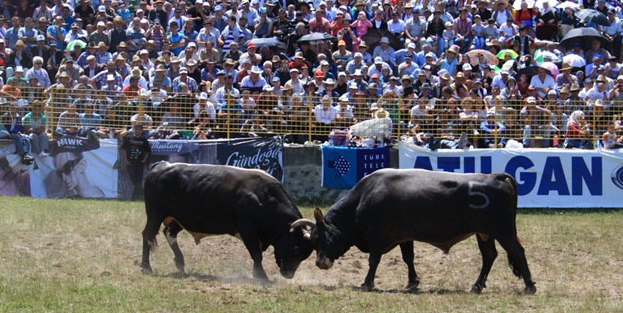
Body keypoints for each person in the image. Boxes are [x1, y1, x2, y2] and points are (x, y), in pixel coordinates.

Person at [121, 124, 151, 201]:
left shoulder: (144, 140)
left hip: (139, 163)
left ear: (142, 131)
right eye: (136, 129)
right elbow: (123, 149)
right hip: (130, 163)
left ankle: (135, 198)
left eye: (139, 129)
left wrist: (144, 160)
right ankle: (140, 197)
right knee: (134, 181)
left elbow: (147, 151)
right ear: (134, 130)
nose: (137, 131)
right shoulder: (129, 138)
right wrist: (125, 160)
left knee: (138, 182)